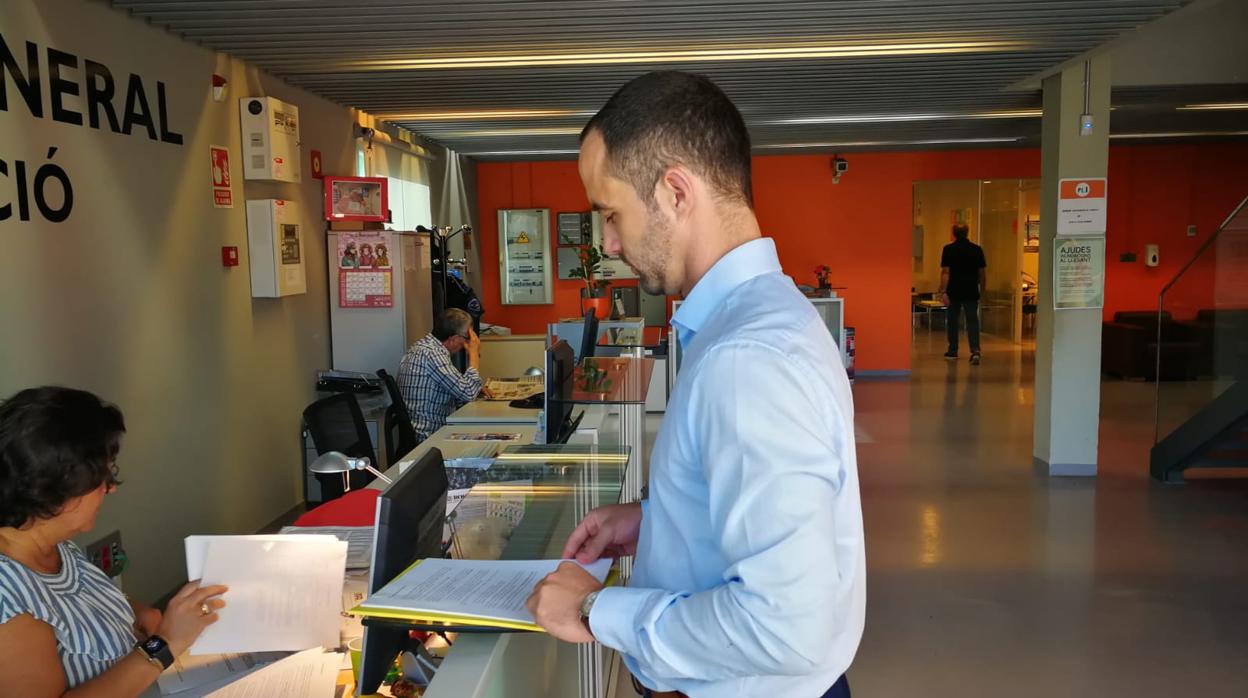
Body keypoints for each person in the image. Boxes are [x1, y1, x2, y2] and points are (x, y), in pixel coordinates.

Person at [525, 71, 864, 698]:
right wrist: (657, 521)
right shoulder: (763, 317)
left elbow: (787, 628)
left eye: (611, 214)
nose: (608, 242)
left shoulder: (748, 359)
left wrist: (598, 611)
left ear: (676, 192)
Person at [0, 386, 228, 696]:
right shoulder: (9, 605)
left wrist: (134, 610)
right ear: (57, 489)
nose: (111, 489)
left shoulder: (52, 545)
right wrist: (164, 645)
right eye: (104, 478)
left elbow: (76, 603)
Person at [398, 308, 490, 442]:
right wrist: (474, 354)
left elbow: (459, 392)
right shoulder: (433, 354)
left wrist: (474, 387)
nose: (467, 343)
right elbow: (468, 393)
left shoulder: (425, 347)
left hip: (426, 430)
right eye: (466, 338)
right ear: (454, 339)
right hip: (429, 437)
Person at [939, 223, 987, 365]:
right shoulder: (976, 250)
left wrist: (943, 291)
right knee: (972, 321)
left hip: (953, 291)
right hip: (971, 291)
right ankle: (975, 350)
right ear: (967, 233)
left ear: (953, 233)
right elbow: (982, 273)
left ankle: (953, 350)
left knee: (952, 321)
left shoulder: (948, 249)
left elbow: (946, 272)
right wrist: (983, 290)